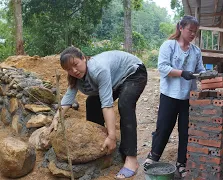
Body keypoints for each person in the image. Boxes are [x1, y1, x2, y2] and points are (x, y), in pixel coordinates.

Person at [48, 47, 147, 179]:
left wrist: (112, 136)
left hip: (133, 72)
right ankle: (100, 144)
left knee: (125, 104)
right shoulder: (75, 77)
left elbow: (106, 105)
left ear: (83, 58)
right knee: (92, 103)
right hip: (115, 80)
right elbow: (68, 98)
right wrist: (56, 118)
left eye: (76, 65)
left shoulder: (98, 69)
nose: (74, 71)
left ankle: (131, 159)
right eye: (69, 69)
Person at [143, 15, 206, 178]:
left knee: (185, 131)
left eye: (195, 32)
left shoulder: (195, 51)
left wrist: (207, 75)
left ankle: (181, 163)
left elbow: (200, 69)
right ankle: (153, 156)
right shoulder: (169, 46)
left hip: (187, 98)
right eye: (190, 30)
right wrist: (182, 73)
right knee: (163, 128)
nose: (192, 34)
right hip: (170, 95)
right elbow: (162, 67)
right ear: (180, 28)